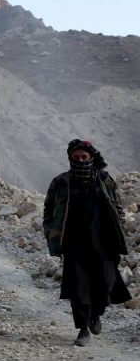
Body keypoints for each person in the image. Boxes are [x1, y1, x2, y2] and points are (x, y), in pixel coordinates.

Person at [43, 139, 132, 347]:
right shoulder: (61, 182)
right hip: (74, 243)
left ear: (91, 157)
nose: (81, 161)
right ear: (70, 159)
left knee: (106, 281)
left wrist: (120, 232)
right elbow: (48, 209)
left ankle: (96, 313)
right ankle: (83, 329)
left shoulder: (104, 179)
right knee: (79, 288)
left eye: (84, 157)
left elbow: (118, 208)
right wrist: (51, 232)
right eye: (76, 158)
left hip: (103, 242)